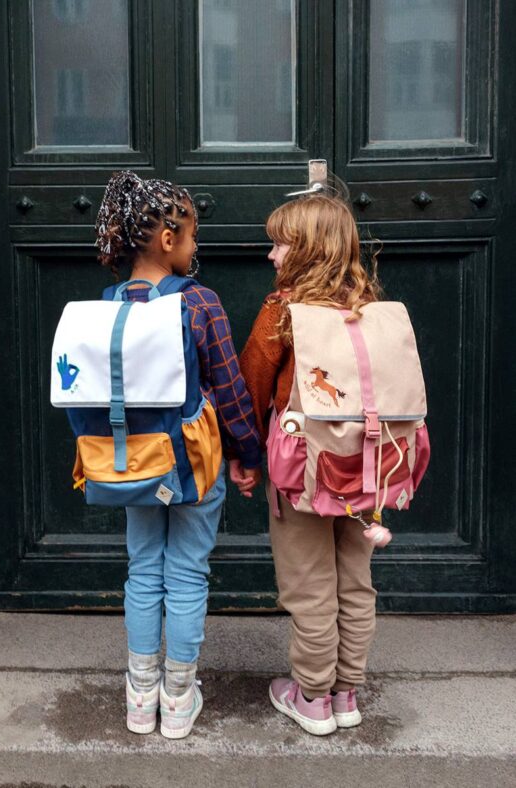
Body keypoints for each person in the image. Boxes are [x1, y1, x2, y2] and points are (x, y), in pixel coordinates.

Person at [95, 171, 262, 739]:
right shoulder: (200, 302)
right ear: (167, 239)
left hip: (133, 461)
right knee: (188, 571)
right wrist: (247, 454)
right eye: (191, 236)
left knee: (143, 568)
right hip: (194, 458)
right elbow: (233, 387)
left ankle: (140, 696)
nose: (196, 248)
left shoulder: (109, 303)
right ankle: (178, 694)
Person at [240, 192, 384, 736]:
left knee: (309, 586)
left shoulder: (284, 311)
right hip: (363, 467)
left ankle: (313, 696)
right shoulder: (370, 309)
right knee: (355, 580)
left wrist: (247, 457)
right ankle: (347, 692)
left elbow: (252, 386)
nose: (271, 255)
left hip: (302, 470)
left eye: (280, 244)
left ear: (307, 250)